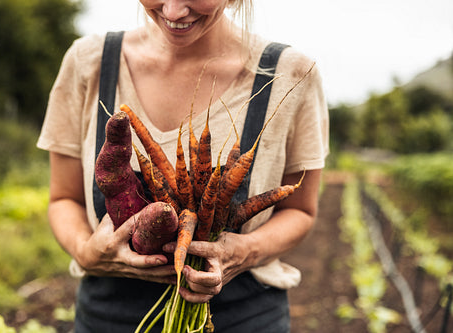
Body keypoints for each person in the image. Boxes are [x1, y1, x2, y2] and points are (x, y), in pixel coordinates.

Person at [37, 0, 329, 332]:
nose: (174, 11)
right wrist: (85, 252)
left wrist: (242, 251)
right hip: (107, 318)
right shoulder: (87, 62)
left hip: (242, 319)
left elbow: (301, 211)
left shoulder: (290, 74)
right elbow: (64, 199)